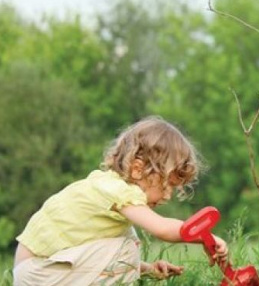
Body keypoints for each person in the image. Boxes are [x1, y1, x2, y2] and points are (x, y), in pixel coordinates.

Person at [12, 116, 229, 285]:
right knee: (126, 247)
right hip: (40, 273)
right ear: (137, 169)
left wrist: (147, 269)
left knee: (126, 241)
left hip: (38, 271)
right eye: (167, 184)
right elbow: (162, 229)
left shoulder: (107, 187)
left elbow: (91, 255)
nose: (167, 195)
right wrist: (203, 237)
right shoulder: (119, 191)